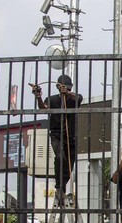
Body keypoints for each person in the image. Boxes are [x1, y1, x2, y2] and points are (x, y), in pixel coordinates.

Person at [31, 74, 83, 202]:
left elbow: (78, 98)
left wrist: (68, 94)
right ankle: (59, 187)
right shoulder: (52, 100)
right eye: (63, 88)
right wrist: (38, 97)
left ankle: (62, 186)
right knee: (60, 157)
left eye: (68, 88)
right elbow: (44, 108)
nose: (66, 90)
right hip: (56, 135)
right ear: (58, 87)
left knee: (70, 165)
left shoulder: (74, 99)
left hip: (71, 137)